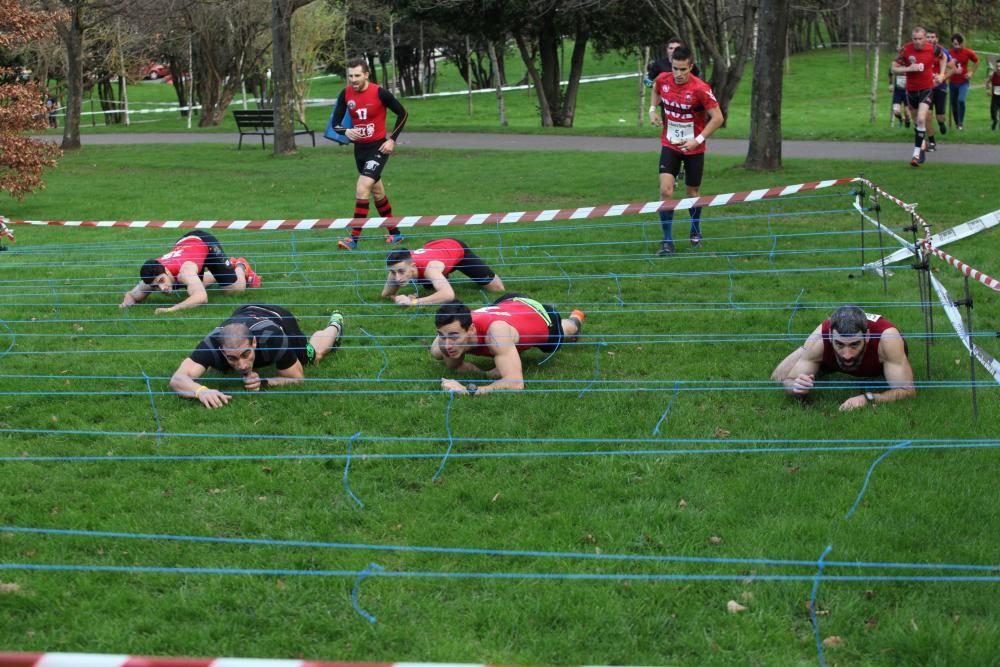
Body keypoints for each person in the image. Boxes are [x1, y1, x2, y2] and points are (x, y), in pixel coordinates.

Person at [169, 305, 344, 409]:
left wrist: (265, 382)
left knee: (312, 355)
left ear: (253, 343)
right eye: (232, 358)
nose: (243, 365)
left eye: (246, 354)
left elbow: (297, 378)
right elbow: (177, 379)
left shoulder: (272, 338)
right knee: (219, 368)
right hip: (244, 311)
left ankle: (335, 325)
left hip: (279, 318)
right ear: (222, 350)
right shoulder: (211, 345)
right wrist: (201, 391)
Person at [649, 45, 724, 256]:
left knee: (692, 193)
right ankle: (667, 241)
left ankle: (695, 229)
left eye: (683, 69)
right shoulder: (664, 79)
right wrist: (652, 110)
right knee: (665, 190)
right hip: (670, 144)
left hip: (694, 148)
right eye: (675, 68)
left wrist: (697, 140)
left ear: (690, 67)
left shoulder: (700, 88)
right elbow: (656, 89)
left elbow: (718, 118)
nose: (678, 74)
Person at [770, 305, 916, 411]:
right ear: (830, 337)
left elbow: (907, 391)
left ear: (867, 336)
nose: (847, 354)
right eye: (839, 344)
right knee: (777, 377)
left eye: (854, 344)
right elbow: (787, 381)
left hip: (879, 361)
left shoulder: (887, 339)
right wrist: (796, 387)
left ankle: (812, 354)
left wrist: (867, 398)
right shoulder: (821, 337)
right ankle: (807, 352)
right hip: (823, 353)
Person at [431, 296, 585, 395]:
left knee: (568, 330)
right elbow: (454, 364)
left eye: (454, 337)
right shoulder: (448, 336)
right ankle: (507, 354)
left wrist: (467, 390)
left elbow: (515, 383)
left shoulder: (496, 332)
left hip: (540, 314)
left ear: (471, 329)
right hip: (507, 302)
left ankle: (575, 318)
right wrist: (481, 372)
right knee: (437, 351)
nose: (447, 343)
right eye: (441, 335)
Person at [330, 57, 408, 250]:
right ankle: (395, 234)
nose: (353, 80)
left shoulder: (379, 93)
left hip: (378, 148)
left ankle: (353, 239)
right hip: (360, 150)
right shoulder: (345, 94)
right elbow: (335, 124)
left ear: (366, 74)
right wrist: (345, 131)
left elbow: (403, 113)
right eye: (350, 76)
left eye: (357, 75)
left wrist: (392, 140)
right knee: (377, 191)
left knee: (362, 187)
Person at [120, 230, 260, 314]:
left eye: (161, 281)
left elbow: (201, 297)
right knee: (192, 283)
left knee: (235, 289)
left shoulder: (184, 271)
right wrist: (123, 306)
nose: (162, 288)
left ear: (167, 272)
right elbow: (131, 295)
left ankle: (240, 265)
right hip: (185, 243)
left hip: (205, 243)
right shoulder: (153, 275)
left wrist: (171, 310)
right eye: (156, 286)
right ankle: (217, 274)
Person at [382, 238, 505, 306]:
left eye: (401, 272)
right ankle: (444, 275)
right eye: (393, 273)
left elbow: (448, 295)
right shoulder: (397, 266)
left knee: (497, 288)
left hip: (456, 250)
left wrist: (413, 301)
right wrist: (398, 298)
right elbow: (386, 295)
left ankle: (445, 274)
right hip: (434, 249)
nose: (397, 278)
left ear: (413, 266)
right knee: (430, 289)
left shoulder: (430, 269)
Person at [892, 26, 948, 167]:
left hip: (926, 89)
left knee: (922, 119)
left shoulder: (933, 49)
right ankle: (922, 144)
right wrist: (908, 69)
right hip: (910, 91)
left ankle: (916, 154)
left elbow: (943, 58)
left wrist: (942, 74)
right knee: (917, 123)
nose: (917, 42)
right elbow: (893, 68)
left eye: (920, 39)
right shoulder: (905, 50)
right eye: (914, 39)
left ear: (925, 38)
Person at [924, 29, 954, 150]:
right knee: (927, 115)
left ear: (937, 39)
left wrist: (942, 77)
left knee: (940, 116)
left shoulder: (943, 52)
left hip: (940, 87)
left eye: (932, 37)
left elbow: (953, 68)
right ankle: (931, 142)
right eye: (928, 37)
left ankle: (941, 123)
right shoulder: (922, 51)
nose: (930, 39)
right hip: (926, 87)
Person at [948, 33, 979, 130]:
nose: (956, 46)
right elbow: (945, 64)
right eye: (954, 44)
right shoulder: (949, 53)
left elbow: (976, 61)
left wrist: (971, 73)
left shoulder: (968, 52)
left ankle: (961, 122)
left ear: (962, 43)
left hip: (963, 81)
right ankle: (957, 123)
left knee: (961, 100)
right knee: (953, 103)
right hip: (952, 81)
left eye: (957, 44)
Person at [988, 59, 1000, 131]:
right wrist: (989, 90)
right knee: (993, 112)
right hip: (995, 97)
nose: (998, 68)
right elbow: (988, 82)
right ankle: (995, 120)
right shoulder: (992, 74)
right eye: (997, 66)